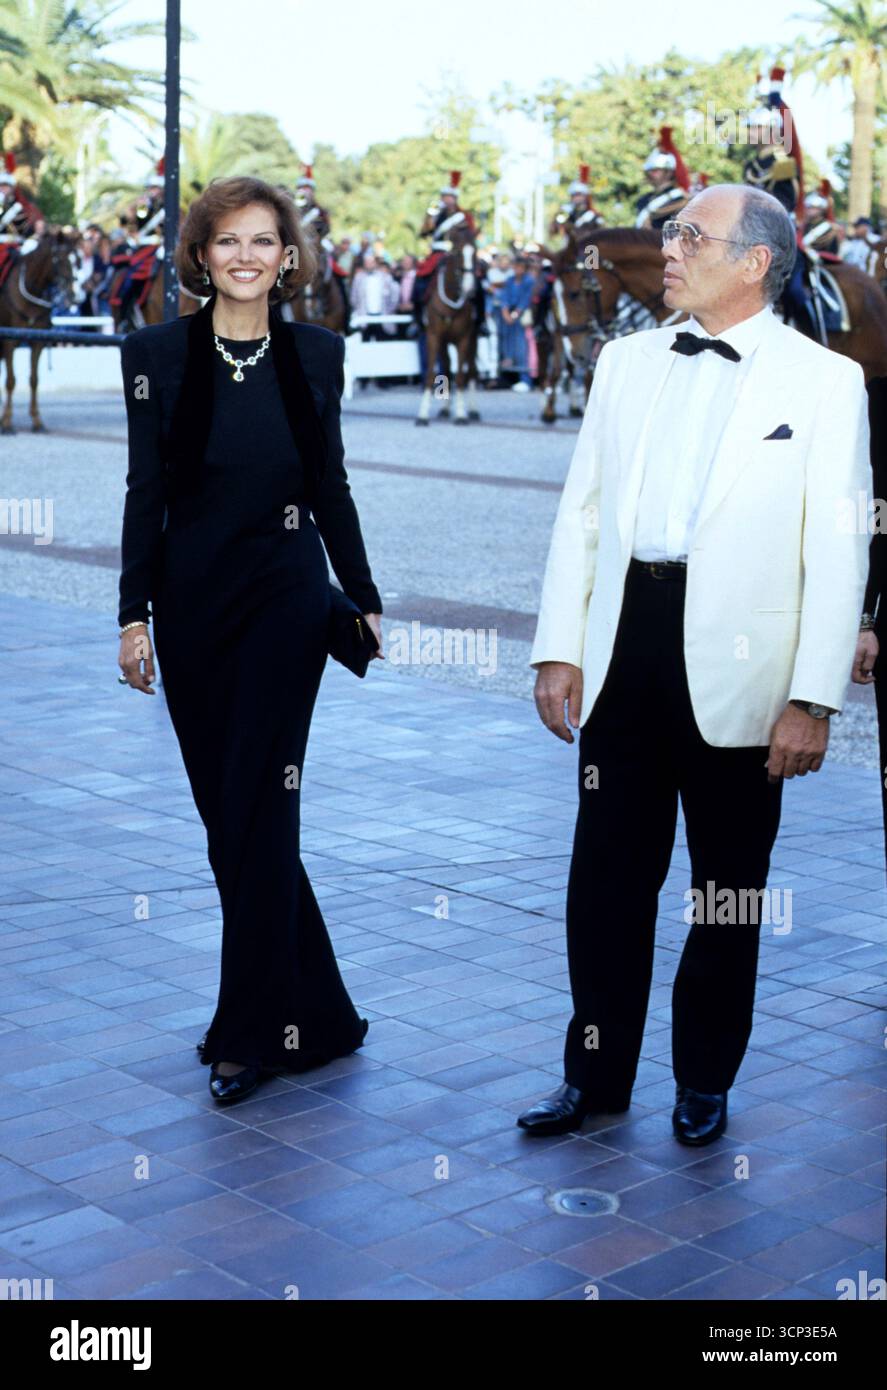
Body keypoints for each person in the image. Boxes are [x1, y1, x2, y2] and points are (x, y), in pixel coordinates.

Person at [519, 183, 870, 1145]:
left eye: (688, 236)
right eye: (672, 234)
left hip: (746, 672)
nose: (666, 250)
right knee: (603, 885)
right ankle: (591, 1079)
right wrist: (558, 646)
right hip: (625, 645)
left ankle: (703, 1079)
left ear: (753, 262)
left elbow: (838, 553)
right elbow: (580, 513)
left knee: (725, 890)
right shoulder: (625, 362)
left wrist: (812, 699)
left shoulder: (824, 382)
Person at [117, 175, 383, 1104]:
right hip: (192, 611)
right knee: (226, 822)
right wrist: (132, 613)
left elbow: (332, 484)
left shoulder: (316, 353)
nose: (244, 256)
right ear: (200, 255)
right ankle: (323, 1013)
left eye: (263, 241)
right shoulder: (153, 353)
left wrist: (362, 590)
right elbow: (144, 492)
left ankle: (251, 1033)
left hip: (284, 604)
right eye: (227, 241)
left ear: (287, 257)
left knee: (261, 811)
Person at [635, 128, 690, 230]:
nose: (651, 174)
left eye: (656, 170)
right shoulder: (644, 199)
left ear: (668, 173)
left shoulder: (679, 198)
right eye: (649, 171)